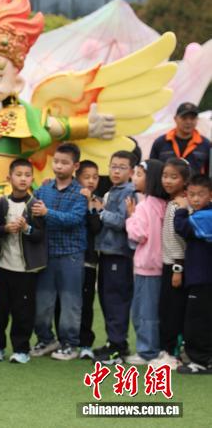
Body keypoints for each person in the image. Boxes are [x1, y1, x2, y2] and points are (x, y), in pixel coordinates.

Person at [30, 143, 87, 361]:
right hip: (46, 255)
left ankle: (70, 344)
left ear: (75, 166)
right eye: (56, 161)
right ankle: (46, 340)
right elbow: (32, 210)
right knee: (43, 302)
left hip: (71, 255)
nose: (59, 166)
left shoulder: (80, 193)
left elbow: (74, 219)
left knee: (70, 303)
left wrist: (47, 213)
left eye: (64, 162)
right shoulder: (43, 189)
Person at [0, 158, 46, 365]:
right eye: (18, 174)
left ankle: (21, 349)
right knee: (0, 310)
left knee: (23, 311)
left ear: (32, 179)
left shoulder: (35, 205)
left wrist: (26, 228)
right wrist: (6, 228)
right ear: (9, 177)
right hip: (4, 266)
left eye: (27, 175)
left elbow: (40, 235)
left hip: (26, 270)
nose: (23, 179)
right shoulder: (2, 202)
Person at [92, 151, 137, 364]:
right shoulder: (114, 190)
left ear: (131, 171)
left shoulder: (129, 191)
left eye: (122, 167)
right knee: (107, 299)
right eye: (113, 166)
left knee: (115, 300)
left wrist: (101, 211)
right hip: (109, 253)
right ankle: (114, 342)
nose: (116, 171)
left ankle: (117, 347)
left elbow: (122, 222)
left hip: (119, 254)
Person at [125, 159, 167, 365]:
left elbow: (138, 234)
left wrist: (130, 217)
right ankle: (153, 348)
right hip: (161, 266)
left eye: (139, 174)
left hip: (147, 267)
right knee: (154, 310)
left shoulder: (144, 206)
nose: (134, 178)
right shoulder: (163, 204)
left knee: (143, 312)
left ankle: (147, 351)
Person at [149, 158, 191, 369]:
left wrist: (177, 268)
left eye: (174, 177)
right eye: (165, 176)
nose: (167, 181)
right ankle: (167, 351)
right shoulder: (173, 202)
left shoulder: (180, 205)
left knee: (173, 311)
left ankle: (172, 355)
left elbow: (180, 241)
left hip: (176, 266)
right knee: (166, 310)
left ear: (185, 181)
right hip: (169, 265)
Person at [174, 175, 212, 374]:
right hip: (202, 277)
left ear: (210, 195)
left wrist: (181, 209)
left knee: (196, 321)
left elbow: (182, 227)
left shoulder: (205, 216)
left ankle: (199, 361)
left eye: (201, 194)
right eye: (191, 195)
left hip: (202, 278)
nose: (195, 199)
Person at [74, 160, 102, 360]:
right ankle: (66, 341)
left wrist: (92, 206)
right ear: (77, 178)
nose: (91, 181)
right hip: (69, 258)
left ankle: (85, 343)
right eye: (87, 177)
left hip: (89, 260)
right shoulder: (71, 197)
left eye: (95, 177)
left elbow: (96, 228)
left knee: (86, 303)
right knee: (64, 302)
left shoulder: (98, 201)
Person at [150, 102, 210, 176]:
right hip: (166, 183)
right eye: (184, 118)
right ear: (175, 119)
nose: (188, 122)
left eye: (192, 118)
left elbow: (209, 173)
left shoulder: (206, 144)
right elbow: (152, 170)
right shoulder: (160, 142)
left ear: (197, 120)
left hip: (194, 183)